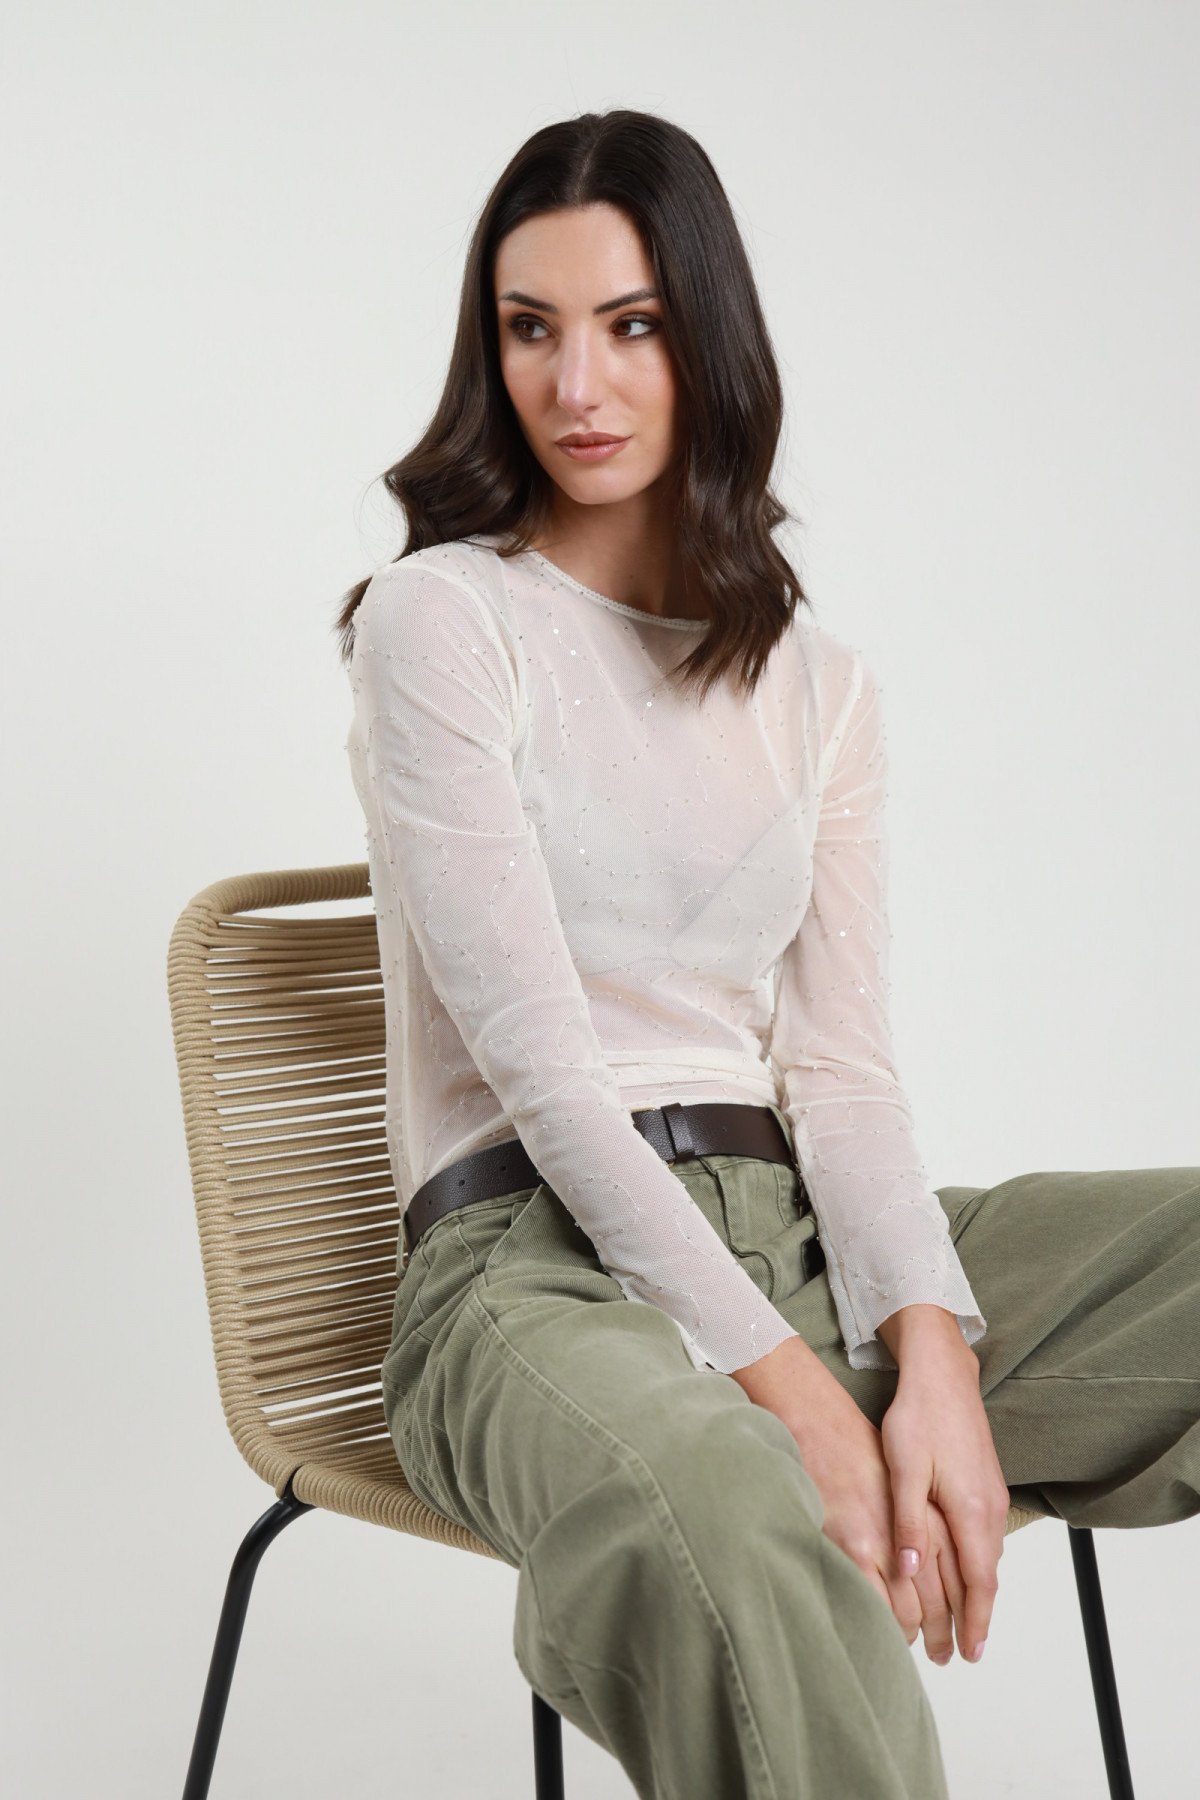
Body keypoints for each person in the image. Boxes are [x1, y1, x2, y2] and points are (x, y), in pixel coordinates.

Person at [341, 110, 1198, 1799]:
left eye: (631, 325)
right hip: (528, 1271)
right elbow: (548, 1079)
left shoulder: (820, 681)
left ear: (708, 340)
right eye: (530, 328)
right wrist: (800, 1399)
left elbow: (846, 1078)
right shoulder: (445, 618)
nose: (576, 384)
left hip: (790, 1231)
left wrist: (932, 1358)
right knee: (738, 1503)